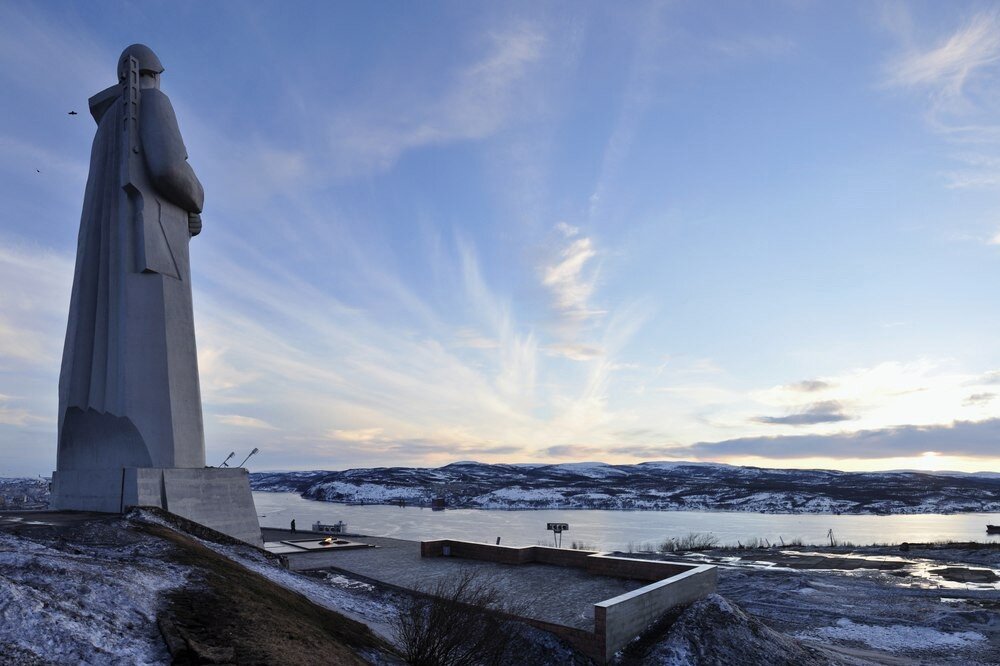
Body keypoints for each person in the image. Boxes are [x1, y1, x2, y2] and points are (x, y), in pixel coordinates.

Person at [57, 44, 206, 473]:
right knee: (162, 374)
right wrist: (197, 199)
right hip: (147, 250)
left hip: (107, 262)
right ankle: (168, 460)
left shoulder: (105, 128)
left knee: (106, 353)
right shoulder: (154, 102)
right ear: (153, 74)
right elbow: (168, 169)